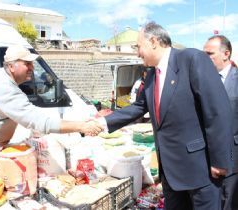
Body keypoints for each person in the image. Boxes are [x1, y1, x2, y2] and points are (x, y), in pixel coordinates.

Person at [98, 22, 234, 210]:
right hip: (170, 174)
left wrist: (220, 161)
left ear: (153, 41)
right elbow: (139, 107)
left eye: (139, 46)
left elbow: (217, 110)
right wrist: (102, 123)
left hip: (200, 170)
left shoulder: (191, 59)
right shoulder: (152, 75)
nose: (138, 53)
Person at [0, 45, 103, 180]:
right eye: (27, 63)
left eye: (31, 63)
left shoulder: (3, 78)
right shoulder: (4, 88)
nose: (32, 67)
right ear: (11, 67)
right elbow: (38, 121)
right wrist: (82, 126)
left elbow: (30, 111)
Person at [204, 35, 238, 210]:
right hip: (205, 159)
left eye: (210, 54)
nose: (205, 58)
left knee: (229, 202)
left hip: (233, 158)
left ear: (226, 54)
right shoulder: (201, 80)